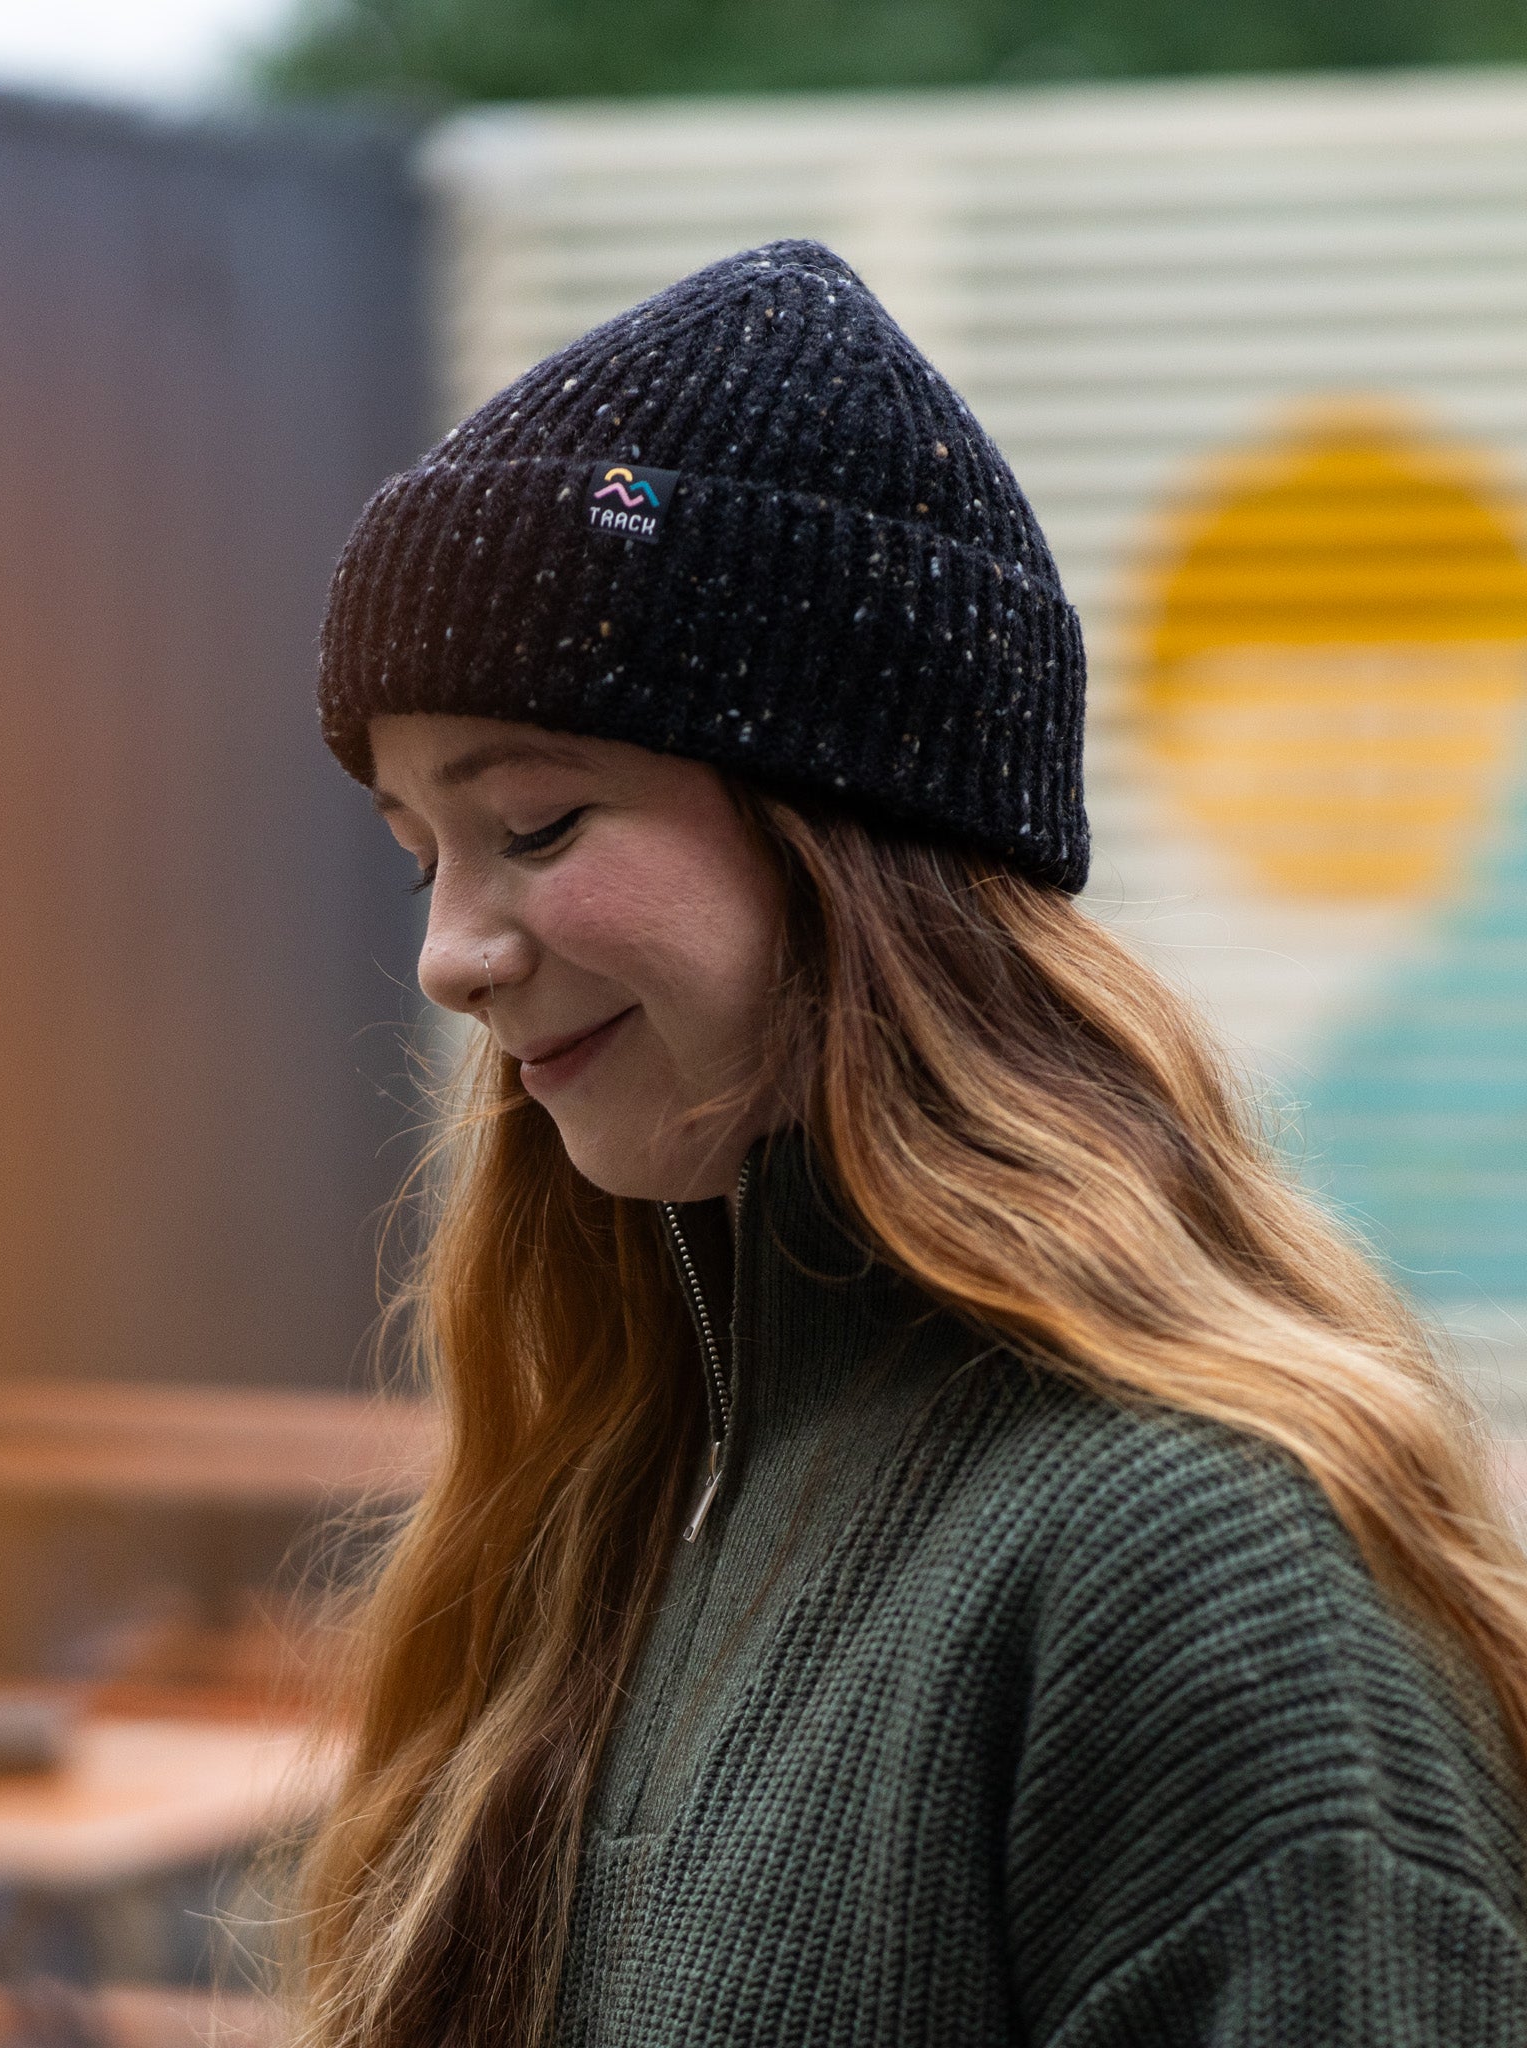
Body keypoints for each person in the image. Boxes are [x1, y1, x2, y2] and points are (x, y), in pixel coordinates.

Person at [294, 241, 1527, 2047]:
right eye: (421, 855)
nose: (448, 953)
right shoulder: (647, 1487)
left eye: (537, 823)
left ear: (852, 836)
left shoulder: (1189, 1576)